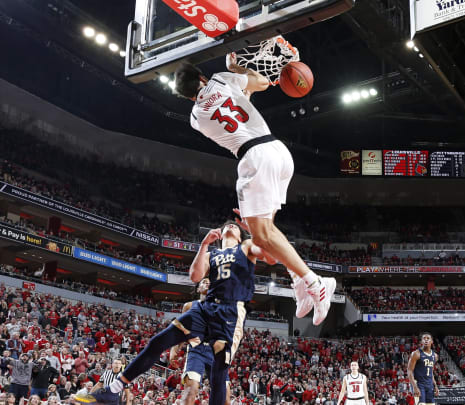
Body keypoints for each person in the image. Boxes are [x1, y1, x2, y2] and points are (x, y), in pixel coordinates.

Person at [173, 53, 336, 326]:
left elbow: (232, 114)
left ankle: (315, 282)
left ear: (188, 97)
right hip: (278, 151)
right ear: (201, 77)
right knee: (263, 232)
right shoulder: (222, 80)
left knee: (261, 235)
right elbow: (261, 82)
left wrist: (241, 87)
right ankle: (298, 280)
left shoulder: (195, 117)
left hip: (254, 158)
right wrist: (240, 69)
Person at [81, 223, 274, 405]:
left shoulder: (246, 247)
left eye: (236, 226)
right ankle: (113, 390)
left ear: (241, 236)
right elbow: (195, 276)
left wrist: (256, 231)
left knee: (219, 376)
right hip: (205, 307)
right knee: (157, 342)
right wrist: (204, 244)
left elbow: (271, 257)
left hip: (229, 311)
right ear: (220, 235)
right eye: (227, 226)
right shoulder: (211, 253)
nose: (231, 225)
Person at [168, 278, 230, 405]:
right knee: (191, 390)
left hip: (216, 353)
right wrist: (174, 349)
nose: (207, 283)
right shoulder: (190, 306)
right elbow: (181, 329)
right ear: (198, 289)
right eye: (204, 281)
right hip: (197, 350)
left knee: (226, 400)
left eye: (210, 282)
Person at [407, 333, 439, 405]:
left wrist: (435, 385)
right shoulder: (416, 354)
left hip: (429, 385)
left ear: (432, 341)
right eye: (424, 338)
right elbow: (409, 371)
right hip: (419, 384)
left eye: (428, 338)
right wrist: (414, 387)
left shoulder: (435, 356)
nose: (426, 340)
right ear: (421, 341)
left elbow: (431, 372)